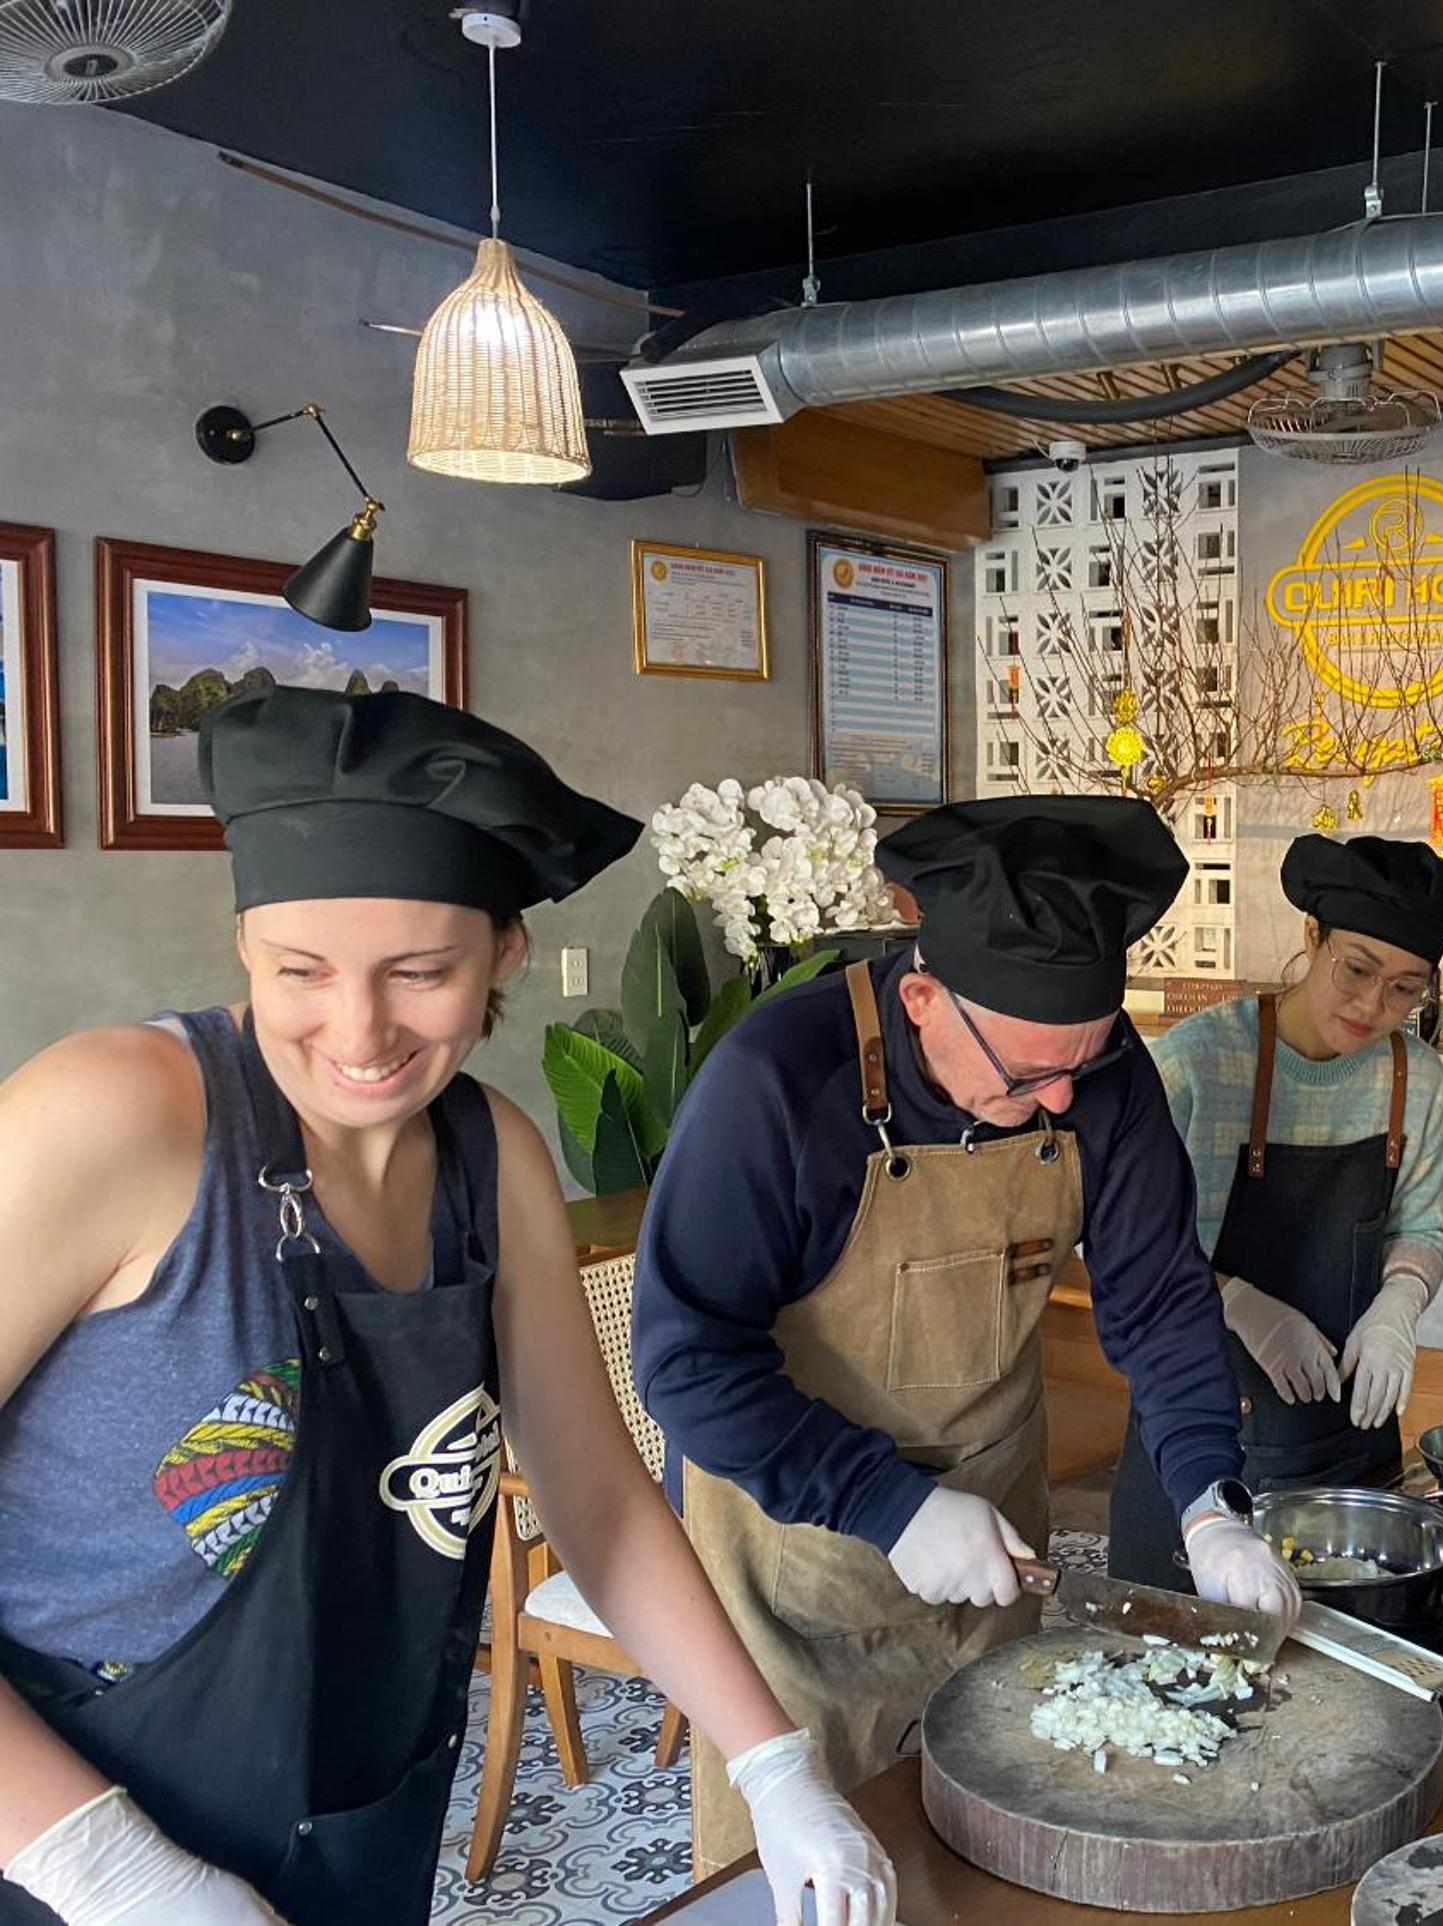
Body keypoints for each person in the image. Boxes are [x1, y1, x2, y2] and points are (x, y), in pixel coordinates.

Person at [0, 689, 891, 1926]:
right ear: (244, 941)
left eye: (419, 974)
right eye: (299, 972)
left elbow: (594, 1497)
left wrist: (773, 1763)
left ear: (503, 955)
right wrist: (107, 1870)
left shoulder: (492, 1158)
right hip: (54, 1829)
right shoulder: (118, 1114)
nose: (359, 1031)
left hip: (356, 1804)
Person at [632, 794, 1301, 1871]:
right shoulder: (774, 1080)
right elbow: (685, 1361)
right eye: (1027, 1076)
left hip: (999, 1548)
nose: (1062, 1100)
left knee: (986, 1856)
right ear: (923, 998)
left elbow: (1162, 1300)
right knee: (820, 1877)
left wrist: (1210, 1505)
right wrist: (885, 1504)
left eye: (1083, 1064)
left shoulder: (1098, 1075)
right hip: (798, 1568)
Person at [1107, 834, 1443, 1582]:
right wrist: (1242, 1304)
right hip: (1197, 1421)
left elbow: (1420, 1226)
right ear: (1312, 936)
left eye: (1405, 989)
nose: (1373, 1005)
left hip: (1346, 1432)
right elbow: (1117, 1243)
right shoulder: (1197, 1062)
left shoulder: (1415, 1079)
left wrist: (1399, 1305)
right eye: (1357, 969)